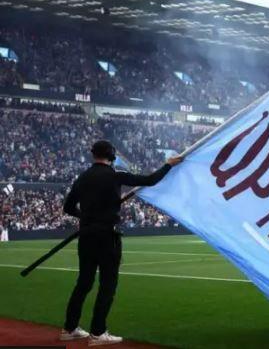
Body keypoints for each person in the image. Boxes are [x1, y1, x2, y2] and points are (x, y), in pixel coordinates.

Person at [60, 140, 182, 346]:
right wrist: (168, 164)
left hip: (87, 235)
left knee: (83, 283)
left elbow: (68, 207)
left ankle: (69, 328)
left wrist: (88, 217)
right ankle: (98, 333)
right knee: (107, 284)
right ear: (112, 156)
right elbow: (150, 180)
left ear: (93, 155)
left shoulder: (82, 177)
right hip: (107, 236)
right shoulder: (115, 175)